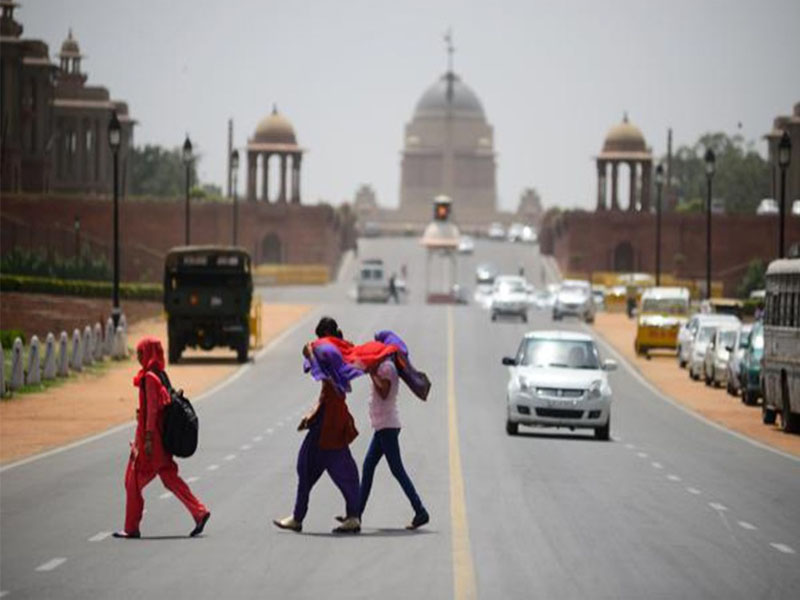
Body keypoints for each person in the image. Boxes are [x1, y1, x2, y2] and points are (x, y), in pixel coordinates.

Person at [114, 337, 210, 539]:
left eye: (141, 353)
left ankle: (131, 527)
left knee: (132, 480)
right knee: (169, 478)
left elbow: (152, 413)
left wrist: (147, 439)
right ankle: (199, 512)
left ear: (149, 354)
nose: (139, 357)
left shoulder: (149, 378)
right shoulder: (160, 374)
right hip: (158, 440)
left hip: (151, 441)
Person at [273, 317, 362, 534]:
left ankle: (299, 517)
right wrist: (311, 415)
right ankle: (352, 516)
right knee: (345, 470)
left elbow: (321, 372)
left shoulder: (326, 352)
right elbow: (327, 392)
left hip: (328, 425)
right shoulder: (339, 352)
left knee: (306, 466)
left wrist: (310, 352)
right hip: (334, 419)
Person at [352, 355, 429, 530]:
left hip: (387, 426)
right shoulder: (385, 366)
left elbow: (384, 392)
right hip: (383, 426)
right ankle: (356, 515)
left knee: (396, 469)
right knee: (369, 467)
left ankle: (420, 510)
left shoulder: (387, 368)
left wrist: (372, 373)